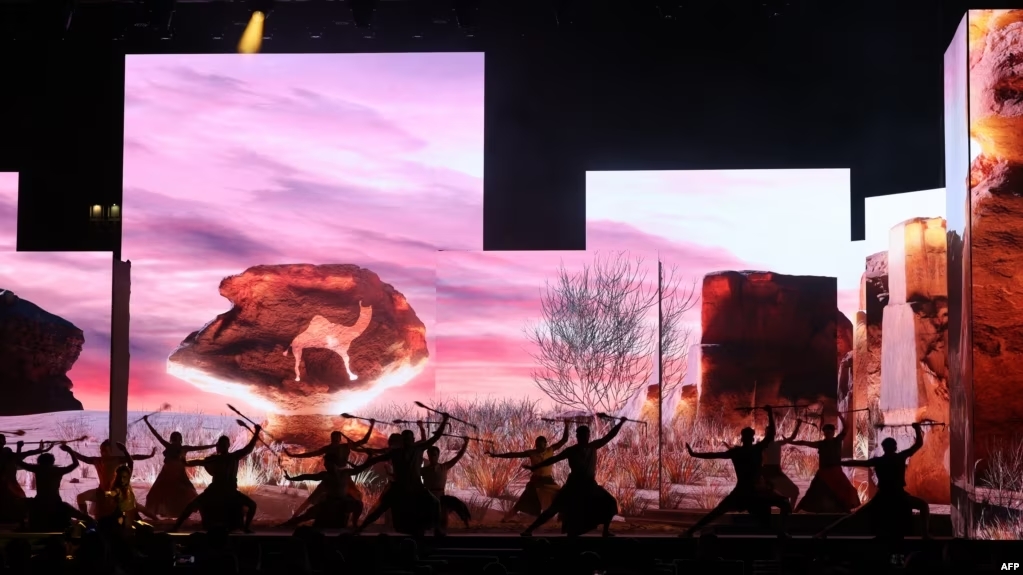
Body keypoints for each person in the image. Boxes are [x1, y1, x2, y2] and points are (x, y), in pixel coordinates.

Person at [679, 405, 791, 538]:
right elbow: (772, 434)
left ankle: (690, 532)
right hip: (752, 491)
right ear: (752, 438)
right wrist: (770, 413)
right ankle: (781, 532)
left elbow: (715, 455)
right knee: (783, 505)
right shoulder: (754, 449)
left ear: (742, 439)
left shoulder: (739, 452)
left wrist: (695, 454)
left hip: (747, 491)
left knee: (718, 512)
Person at [816, 422, 930, 539]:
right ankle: (925, 535)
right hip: (898, 495)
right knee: (923, 505)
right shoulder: (900, 457)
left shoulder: (878, 461)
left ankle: (825, 531)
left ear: (884, 448)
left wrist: (839, 462)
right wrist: (917, 429)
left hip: (883, 496)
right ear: (895, 447)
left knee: (856, 516)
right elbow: (918, 444)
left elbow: (857, 462)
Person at [520, 417, 627, 538]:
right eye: (580, 435)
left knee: (610, 502)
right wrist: (535, 467)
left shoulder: (593, 446)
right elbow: (553, 459)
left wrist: (620, 423)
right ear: (577, 437)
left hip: (590, 485)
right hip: (573, 486)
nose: (583, 438)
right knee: (554, 508)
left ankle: (605, 531)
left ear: (588, 436)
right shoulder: (571, 450)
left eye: (585, 435)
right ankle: (529, 529)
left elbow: (609, 436)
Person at [354, 414, 450, 536]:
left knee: (435, 503)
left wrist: (445, 420)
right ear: (402, 440)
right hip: (400, 487)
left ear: (413, 439)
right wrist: (360, 468)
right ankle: (361, 527)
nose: (407, 441)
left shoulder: (418, 450)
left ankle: (437, 529)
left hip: (416, 487)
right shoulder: (396, 452)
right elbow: (375, 460)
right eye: (405, 439)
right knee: (381, 507)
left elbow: (436, 437)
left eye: (409, 438)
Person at [171, 423, 263, 533]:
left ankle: (246, 528)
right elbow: (191, 463)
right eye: (221, 444)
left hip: (228, 491)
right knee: (191, 505)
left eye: (224, 444)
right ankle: (176, 527)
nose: (223, 446)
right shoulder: (220, 458)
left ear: (227, 446)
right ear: (219, 446)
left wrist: (257, 432)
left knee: (252, 505)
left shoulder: (233, 457)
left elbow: (249, 448)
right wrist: (182, 458)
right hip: (216, 490)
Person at [284, 419, 376, 523]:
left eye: (337, 438)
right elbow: (311, 454)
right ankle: (293, 519)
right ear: (331, 438)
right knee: (313, 497)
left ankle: (352, 521)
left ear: (340, 438)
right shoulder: (330, 449)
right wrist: (293, 455)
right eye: (334, 437)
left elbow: (364, 441)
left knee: (356, 499)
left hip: (344, 477)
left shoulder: (346, 447)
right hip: (333, 477)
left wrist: (372, 426)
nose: (335, 439)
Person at [487, 421, 571, 522]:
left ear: (545, 444)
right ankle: (505, 519)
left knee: (561, 496)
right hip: (535, 482)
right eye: (537, 445)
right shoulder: (531, 453)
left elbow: (564, 440)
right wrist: (496, 455)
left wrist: (567, 425)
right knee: (521, 502)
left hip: (548, 481)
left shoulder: (550, 450)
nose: (538, 447)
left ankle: (561, 519)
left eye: (541, 445)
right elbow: (513, 454)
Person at [141, 415, 217, 518]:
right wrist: (147, 422)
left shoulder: (183, 448)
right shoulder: (171, 446)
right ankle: (166, 512)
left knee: (185, 494)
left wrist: (214, 446)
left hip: (177, 474)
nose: (176, 441)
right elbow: (156, 435)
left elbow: (200, 447)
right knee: (159, 494)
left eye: (177, 439)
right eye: (174, 439)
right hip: (167, 474)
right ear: (172, 439)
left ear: (180, 440)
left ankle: (181, 512)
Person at [65, 440, 156, 519]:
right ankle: (85, 517)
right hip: (101, 491)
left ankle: (155, 519)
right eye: (101, 450)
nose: (103, 452)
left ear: (110, 450)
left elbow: (133, 458)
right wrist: (70, 450)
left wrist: (149, 455)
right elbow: (82, 457)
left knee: (135, 506)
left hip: (115, 493)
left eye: (105, 450)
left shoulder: (116, 460)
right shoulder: (97, 460)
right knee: (81, 497)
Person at [278, 457, 376, 529]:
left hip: (343, 501)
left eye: (327, 464)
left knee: (358, 504)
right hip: (329, 502)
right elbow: (307, 476)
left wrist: (371, 459)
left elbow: (361, 468)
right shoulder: (325, 475)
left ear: (334, 465)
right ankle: (288, 524)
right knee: (309, 515)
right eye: (325, 464)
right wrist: (291, 478)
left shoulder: (346, 473)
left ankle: (355, 524)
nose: (325, 466)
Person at [790, 415, 861, 513]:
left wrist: (840, 416)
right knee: (814, 492)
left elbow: (846, 428)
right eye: (826, 431)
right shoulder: (821, 444)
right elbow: (804, 442)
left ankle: (844, 510)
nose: (827, 433)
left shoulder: (837, 440)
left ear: (833, 432)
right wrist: (791, 442)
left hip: (836, 472)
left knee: (845, 490)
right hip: (824, 472)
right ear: (824, 433)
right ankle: (799, 510)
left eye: (829, 431)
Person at [16, 445, 93, 531]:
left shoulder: (38, 469)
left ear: (39, 462)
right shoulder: (58, 470)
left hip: (39, 501)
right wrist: (69, 450)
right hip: (55, 501)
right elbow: (75, 464)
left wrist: (19, 447)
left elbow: (18, 461)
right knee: (81, 516)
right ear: (52, 462)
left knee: (21, 504)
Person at [0, 438, 54, 522]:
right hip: (9, 486)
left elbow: (20, 457)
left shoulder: (8, 453)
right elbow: (18, 458)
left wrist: (40, 450)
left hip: (11, 486)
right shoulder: (8, 454)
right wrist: (19, 447)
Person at [422, 436, 471, 529]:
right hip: (429, 497)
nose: (432, 457)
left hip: (441, 496)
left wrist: (465, 444)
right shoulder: (424, 470)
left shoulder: (444, 467)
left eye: (434, 455)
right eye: (430, 455)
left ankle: (466, 524)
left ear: (438, 455)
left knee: (456, 504)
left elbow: (457, 457)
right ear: (428, 456)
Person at [102, 463, 161, 534]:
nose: (122, 480)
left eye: (124, 477)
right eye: (120, 477)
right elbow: (113, 493)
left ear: (128, 478)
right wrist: (107, 493)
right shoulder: (118, 490)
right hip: (122, 526)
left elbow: (138, 506)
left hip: (131, 522)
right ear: (117, 478)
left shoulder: (128, 491)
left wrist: (155, 518)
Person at [760, 419, 801, 508]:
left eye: (772, 432)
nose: (770, 434)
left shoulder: (777, 443)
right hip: (767, 472)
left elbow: (792, 438)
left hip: (777, 471)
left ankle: (791, 510)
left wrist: (798, 425)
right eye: (768, 432)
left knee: (795, 491)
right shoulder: (761, 445)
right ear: (765, 433)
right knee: (775, 495)